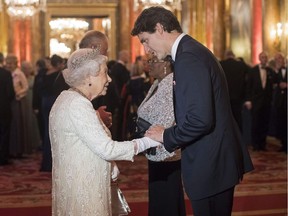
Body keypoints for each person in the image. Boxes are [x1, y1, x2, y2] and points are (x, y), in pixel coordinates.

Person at [131, 6, 254, 216]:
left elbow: (200, 120)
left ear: (160, 28)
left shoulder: (188, 57)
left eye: (145, 40)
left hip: (210, 164)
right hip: (214, 160)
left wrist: (165, 135)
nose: (146, 49)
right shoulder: (191, 51)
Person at [49, 48, 160, 216]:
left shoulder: (67, 97)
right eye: (104, 73)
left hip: (77, 184)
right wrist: (150, 141)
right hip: (85, 189)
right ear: (88, 77)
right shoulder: (78, 105)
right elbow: (107, 149)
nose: (109, 79)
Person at [137, 55, 186, 216]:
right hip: (156, 148)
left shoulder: (169, 84)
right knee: (161, 197)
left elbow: (167, 119)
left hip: (165, 151)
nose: (148, 65)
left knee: (166, 198)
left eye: (152, 61)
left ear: (165, 64)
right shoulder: (158, 83)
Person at [78, 30, 119, 135]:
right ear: (93, 47)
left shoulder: (95, 67)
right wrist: (96, 116)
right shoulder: (74, 72)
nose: (106, 56)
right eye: (105, 51)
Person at [245, 51, 275, 151]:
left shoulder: (270, 71)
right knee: (255, 123)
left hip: (266, 102)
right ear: (259, 58)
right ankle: (255, 144)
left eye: (265, 57)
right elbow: (248, 86)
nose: (264, 59)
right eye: (262, 57)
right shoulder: (253, 71)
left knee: (264, 123)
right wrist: (248, 100)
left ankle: (262, 144)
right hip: (255, 102)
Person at [5, 54, 29, 158]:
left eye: (10, 64)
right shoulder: (7, 74)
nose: (9, 66)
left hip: (18, 101)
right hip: (9, 101)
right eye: (7, 63)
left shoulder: (19, 74)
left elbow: (26, 87)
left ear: (15, 63)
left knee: (18, 125)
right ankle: (11, 149)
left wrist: (18, 93)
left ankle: (19, 150)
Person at [220, 50, 250, 132]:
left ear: (226, 55)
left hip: (224, 98)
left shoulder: (220, 64)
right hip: (238, 97)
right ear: (234, 55)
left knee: (226, 120)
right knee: (238, 119)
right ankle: (239, 141)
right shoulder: (241, 65)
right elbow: (251, 74)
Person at [0, 53, 15, 165]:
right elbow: (10, 93)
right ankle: (3, 158)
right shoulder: (6, 74)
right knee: (4, 133)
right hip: (4, 107)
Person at [273, 52, 287, 153]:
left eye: (280, 59)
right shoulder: (273, 72)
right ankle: (283, 144)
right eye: (276, 59)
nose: (279, 60)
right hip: (279, 102)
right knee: (280, 123)